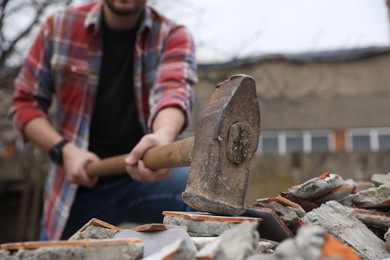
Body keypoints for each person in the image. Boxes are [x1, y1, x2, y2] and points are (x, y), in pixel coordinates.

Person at [9, 0, 197, 240]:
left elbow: (173, 91)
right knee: (53, 254)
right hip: (74, 190)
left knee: (198, 195)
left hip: (142, 178)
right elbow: (25, 103)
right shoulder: (59, 27)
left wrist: (162, 136)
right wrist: (63, 151)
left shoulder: (172, 35)